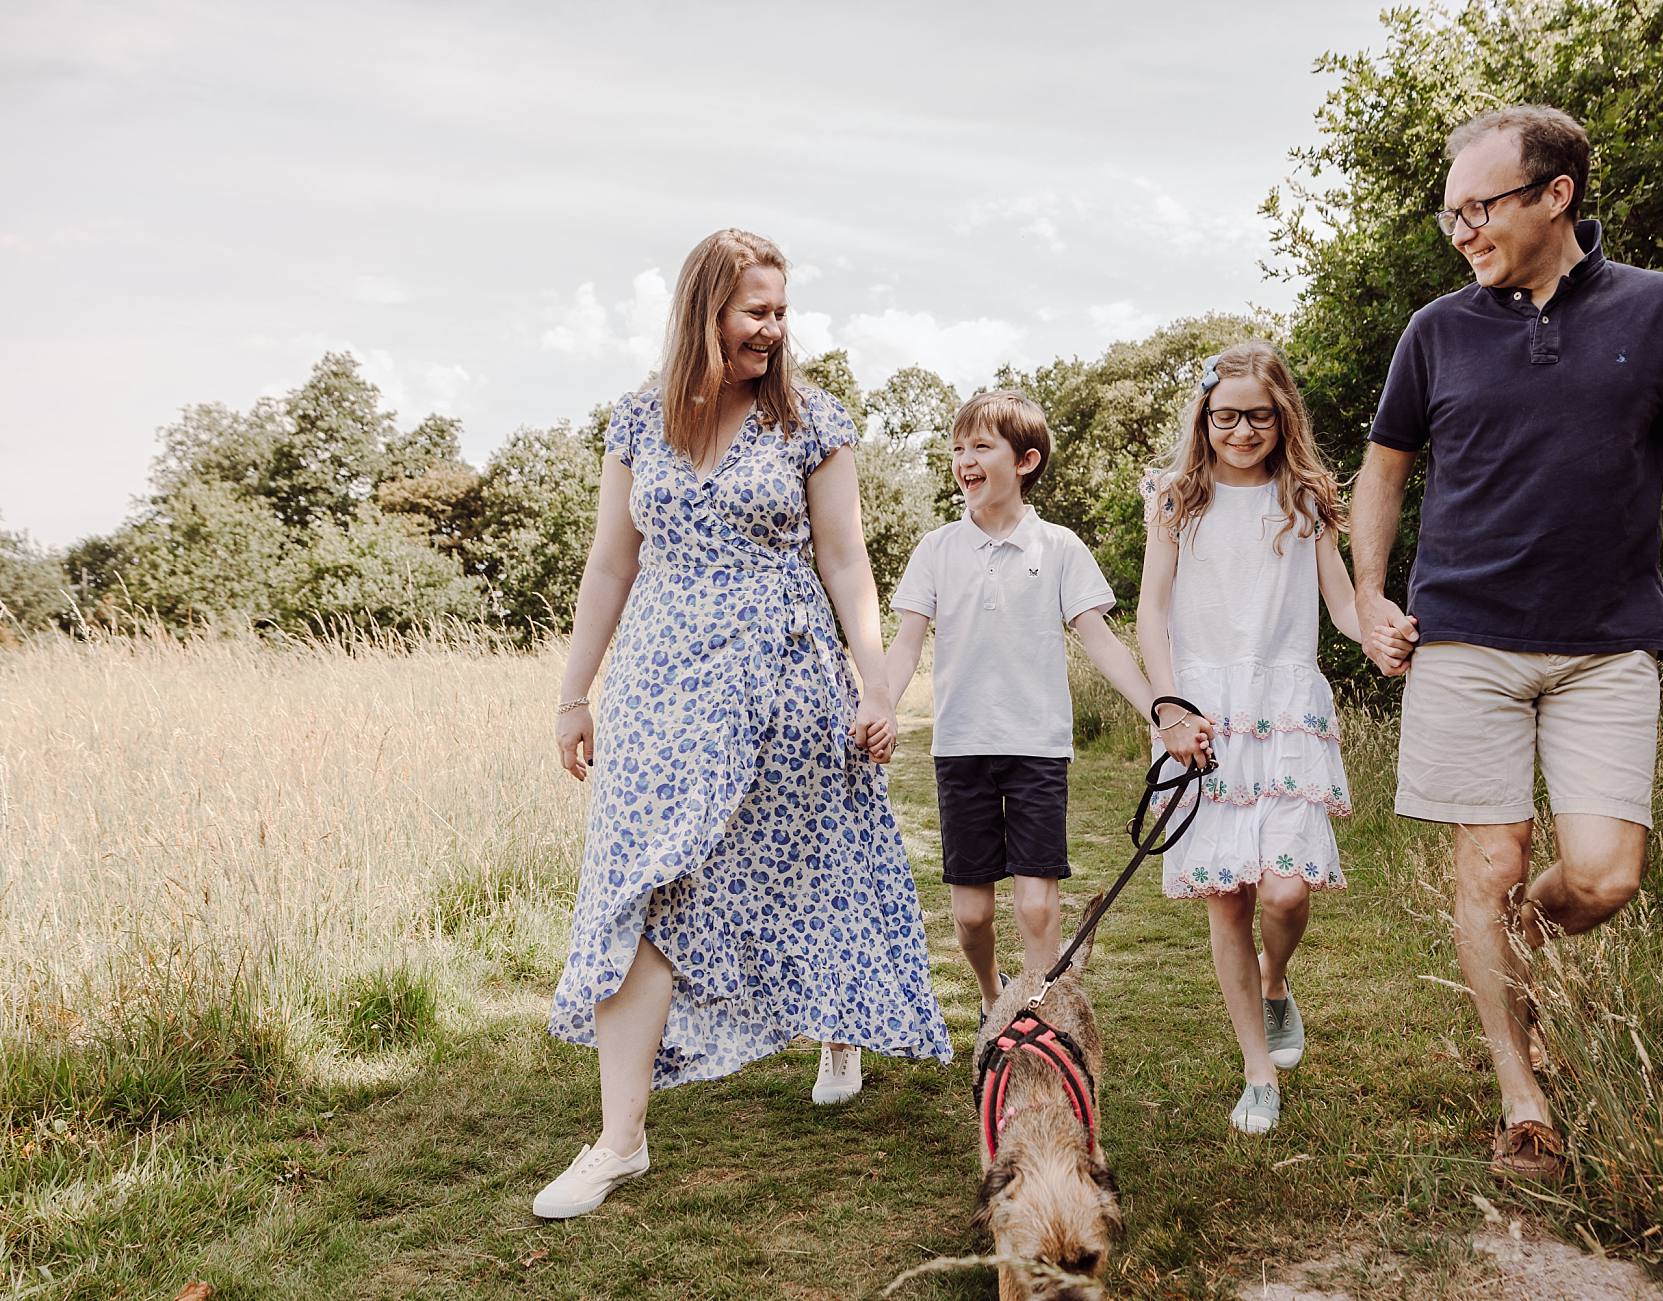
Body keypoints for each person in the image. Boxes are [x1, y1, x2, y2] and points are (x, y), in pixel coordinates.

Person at [1351, 106, 1663, 1181]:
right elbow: (1385, 469)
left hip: (1607, 643)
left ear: (1556, 195)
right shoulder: (1435, 330)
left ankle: (1521, 951)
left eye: (1481, 206)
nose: (1462, 229)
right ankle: (1521, 1094)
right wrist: (1365, 592)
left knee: (1603, 873)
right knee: (1492, 863)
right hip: (1466, 639)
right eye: (1452, 212)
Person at [535, 229, 951, 1219]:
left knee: (817, 862)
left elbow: (846, 561)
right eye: (755, 309)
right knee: (637, 884)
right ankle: (619, 1139)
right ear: (703, 312)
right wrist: (573, 690)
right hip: (661, 686)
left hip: (784, 673)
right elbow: (608, 563)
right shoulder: (638, 420)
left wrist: (876, 681)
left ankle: (836, 1023)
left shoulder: (809, 419)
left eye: (779, 310)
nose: (773, 327)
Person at [883, 391, 1198, 1036]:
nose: (964, 460)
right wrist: (880, 705)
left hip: (1037, 749)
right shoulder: (936, 549)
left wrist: (1161, 711)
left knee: (1034, 905)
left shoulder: (1058, 547)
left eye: (981, 447)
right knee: (971, 916)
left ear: (1024, 461)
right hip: (962, 749)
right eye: (958, 447)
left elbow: (1102, 640)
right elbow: (906, 642)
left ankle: (1036, 1023)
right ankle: (992, 992)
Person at [1136, 341, 1363, 1135]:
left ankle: (1276, 983)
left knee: (1285, 888)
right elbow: (1151, 614)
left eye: (1257, 416)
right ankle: (1257, 1071)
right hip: (1202, 710)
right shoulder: (1175, 499)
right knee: (1227, 897)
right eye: (1225, 415)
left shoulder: (1308, 497)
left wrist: (1385, 633)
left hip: (1285, 702)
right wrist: (1168, 711)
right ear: (1204, 415)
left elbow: (1341, 603)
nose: (1240, 430)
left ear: (1281, 416)